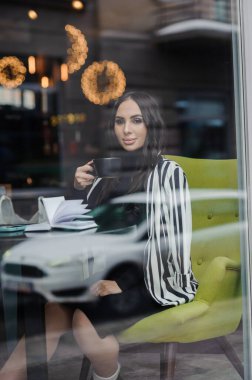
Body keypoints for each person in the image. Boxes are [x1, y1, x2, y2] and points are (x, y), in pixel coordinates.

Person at [0, 91, 198, 380]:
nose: (126, 130)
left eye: (136, 120)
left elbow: (169, 242)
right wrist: (78, 188)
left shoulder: (168, 173)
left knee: (83, 320)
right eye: (120, 121)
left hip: (152, 279)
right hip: (99, 275)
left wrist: (122, 283)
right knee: (52, 308)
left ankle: (107, 374)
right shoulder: (107, 175)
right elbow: (81, 225)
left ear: (150, 126)